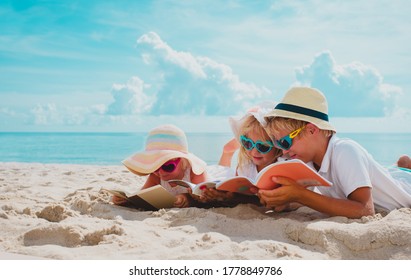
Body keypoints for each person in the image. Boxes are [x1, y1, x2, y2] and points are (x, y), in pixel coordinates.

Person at [261, 86, 411, 218]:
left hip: (406, 190)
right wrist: (286, 201)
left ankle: (402, 167)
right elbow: (327, 199)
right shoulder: (310, 162)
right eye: (277, 143)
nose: (283, 151)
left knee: (399, 178)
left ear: (311, 130)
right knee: (389, 173)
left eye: (285, 142)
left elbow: (365, 210)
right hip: (390, 178)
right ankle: (400, 166)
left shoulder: (345, 151)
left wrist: (300, 194)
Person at [202, 103, 282, 204]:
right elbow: (236, 189)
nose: (254, 152)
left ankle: (229, 151)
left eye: (263, 146)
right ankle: (228, 151)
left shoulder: (280, 167)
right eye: (247, 143)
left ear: (277, 148)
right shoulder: (245, 166)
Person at [113, 124, 208, 208]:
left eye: (168, 167)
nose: (161, 173)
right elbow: (142, 196)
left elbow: (204, 198)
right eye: (156, 167)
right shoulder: (155, 176)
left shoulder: (194, 172)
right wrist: (126, 200)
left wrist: (188, 198)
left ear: (182, 161)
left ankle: (224, 154)